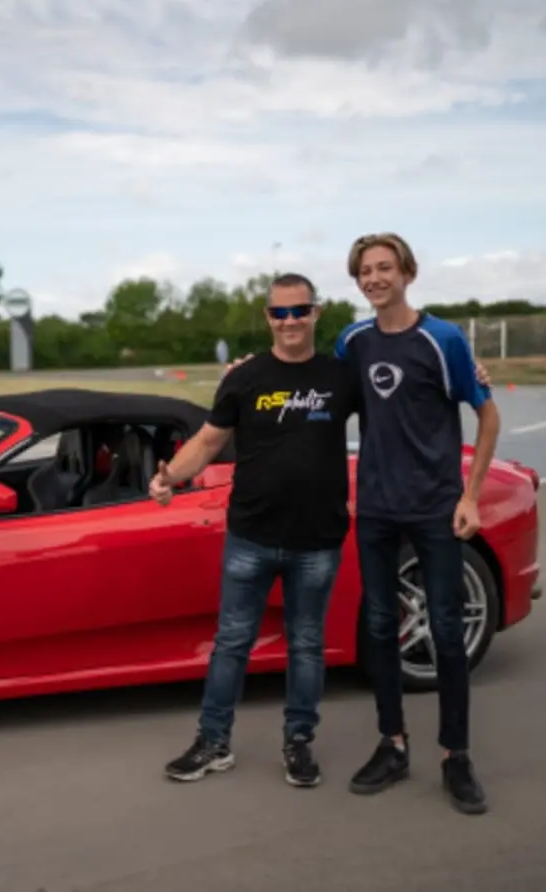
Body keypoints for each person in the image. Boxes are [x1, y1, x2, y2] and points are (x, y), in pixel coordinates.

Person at [153, 272, 357, 788]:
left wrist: (470, 381)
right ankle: (213, 741)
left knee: (306, 644)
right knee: (232, 643)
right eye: (279, 313)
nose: (290, 321)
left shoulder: (341, 378)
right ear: (268, 317)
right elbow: (206, 441)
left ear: (316, 313)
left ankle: (299, 744)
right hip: (252, 535)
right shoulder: (244, 378)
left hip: (318, 538)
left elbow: (397, 413)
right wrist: (168, 477)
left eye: (299, 311)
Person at [334, 233, 501, 816]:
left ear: (408, 272)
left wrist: (471, 496)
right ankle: (393, 744)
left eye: (384, 268)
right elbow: (320, 396)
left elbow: (487, 415)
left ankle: (456, 755)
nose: (374, 278)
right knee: (380, 628)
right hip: (376, 507)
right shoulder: (351, 341)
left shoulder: (444, 340)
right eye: (365, 271)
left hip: (435, 507)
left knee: (448, 633)